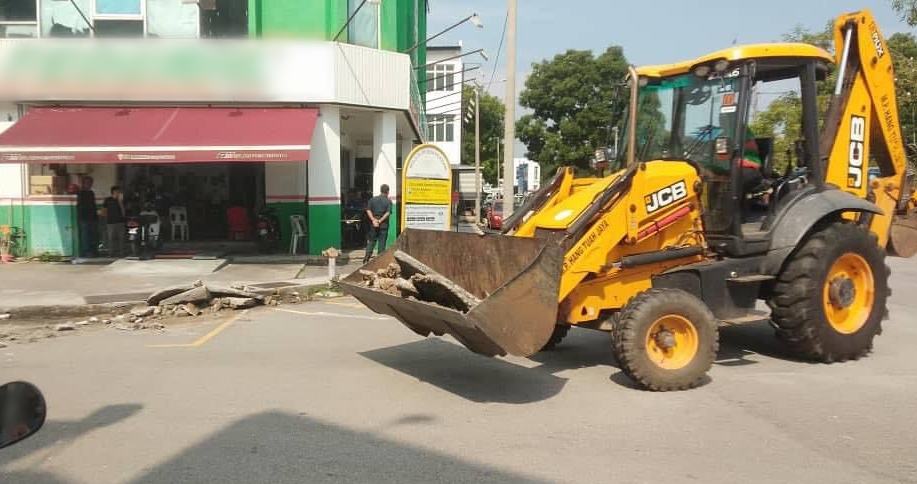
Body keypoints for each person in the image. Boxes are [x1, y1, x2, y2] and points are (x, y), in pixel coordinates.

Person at [364, 184, 392, 264]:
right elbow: (388, 213)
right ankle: (379, 262)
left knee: (372, 241)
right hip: (383, 226)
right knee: (382, 243)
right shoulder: (388, 201)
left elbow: (368, 210)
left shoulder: (372, 200)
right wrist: (379, 221)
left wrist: (373, 220)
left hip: (373, 225)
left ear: (380, 190)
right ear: (387, 192)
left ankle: (366, 258)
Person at [76, 176, 99, 258]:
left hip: (92, 217)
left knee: (93, 235)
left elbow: (93, 205)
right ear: (84, 183)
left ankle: (93, 250)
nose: (89, 184)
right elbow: (79, 206)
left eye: (90, 183)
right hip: (84, 217)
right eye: (88, 183)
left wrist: (96, 215)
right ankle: (87, 251)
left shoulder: (91, 193)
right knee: (85, 235)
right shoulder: (80, 193)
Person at [103, 186, 126, 257]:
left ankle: (121, 252)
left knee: (121, 238)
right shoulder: (108, 200)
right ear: (113, 192)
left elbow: (123, 212)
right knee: (110, 238)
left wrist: (120, 202)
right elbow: (104, 210)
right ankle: (111, 253)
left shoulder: (120, 201)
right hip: (110, 222)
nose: (118, 193)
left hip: (120, 222)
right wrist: (105, 218)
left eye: (119, 192)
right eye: (117, 192)